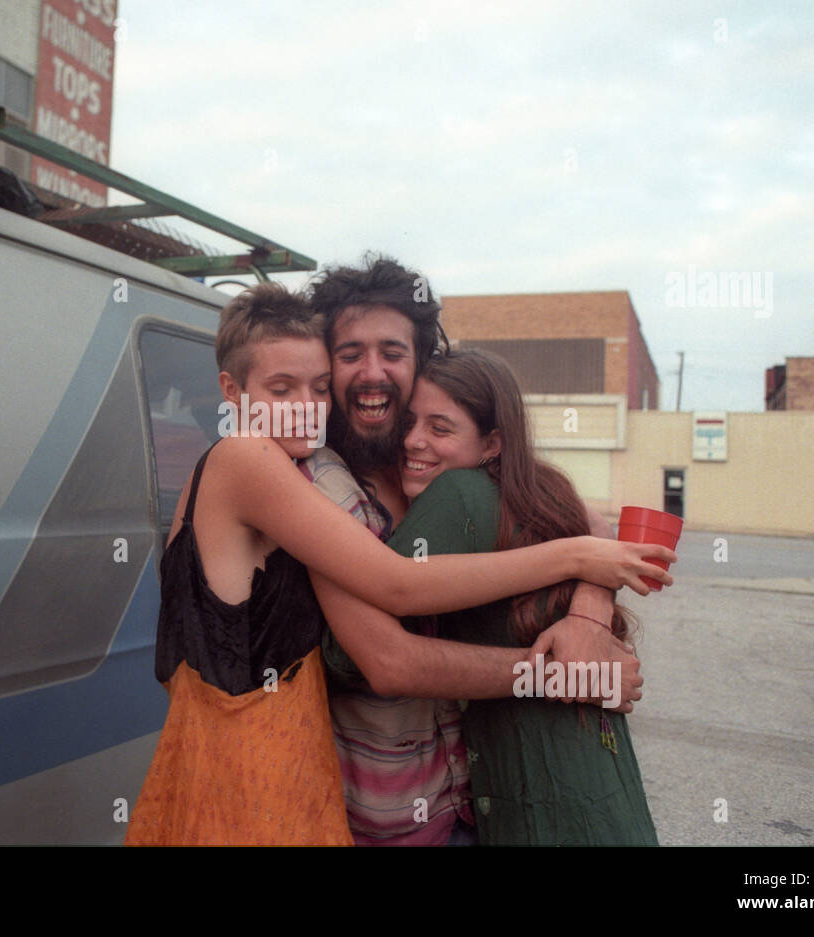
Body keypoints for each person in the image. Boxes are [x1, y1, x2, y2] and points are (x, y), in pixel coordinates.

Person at [124, 284, 672, 845]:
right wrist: (565, 660)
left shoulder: (411, 460)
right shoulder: (271, 464)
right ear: (232, 390)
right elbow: (396, 597)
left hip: (359, 777)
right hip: (262, 774)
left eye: (315, 387)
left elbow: (570, 511)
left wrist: (587, 614)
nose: (307, 406)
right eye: (282, 388)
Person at [307, 255, 640, 845]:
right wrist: (561, 672)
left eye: (392, 352)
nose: (371, 372)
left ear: (420, 363)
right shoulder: (319, 485)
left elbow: (589, 527)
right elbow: (379, 660)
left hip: (469, 803)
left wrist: (589, 612)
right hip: (380, 815)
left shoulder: (441, 471)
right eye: (349, 353)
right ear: (324, 366)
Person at [393, 348, 658, 844]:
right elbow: (599, 535)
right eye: (408, 422)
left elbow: (351, 655)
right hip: (611, 808)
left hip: (547, 818)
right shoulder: (545, 490)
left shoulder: (456, 493)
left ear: (492, 442)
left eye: (440, 428)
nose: (413, 440)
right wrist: (585, 625)